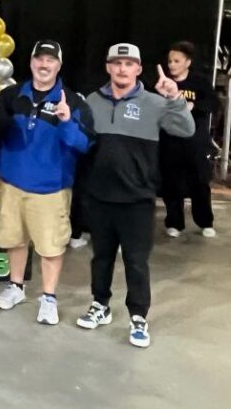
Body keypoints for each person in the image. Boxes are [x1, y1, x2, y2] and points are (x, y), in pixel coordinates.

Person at [77, 44, 195, 348]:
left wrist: (175, 98)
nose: (122, 69)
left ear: (139, 69)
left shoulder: (154, 102)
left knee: (136, 261)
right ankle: (100, 305)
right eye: (117, 63)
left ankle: (138, 317)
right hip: (100, 197)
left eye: (129, 64)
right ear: (108, 67)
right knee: (101, 258)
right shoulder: (92, 101)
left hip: (137, 200)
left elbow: (186, 130)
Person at [0, 40, 93, 326]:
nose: (44, 65)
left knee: (51, 246)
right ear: (31, 62)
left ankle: (48, 298)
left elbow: (83, 144)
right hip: (12, 184)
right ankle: (16, 287)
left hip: (50, 189)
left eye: (50, 60)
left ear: (59, 65)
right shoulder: (11, 95)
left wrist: (66, 121)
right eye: (39, 59)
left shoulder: (73, 101)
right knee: (14, 239)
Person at [159, 41, 218, 238]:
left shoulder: (200, 82)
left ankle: (205, 222)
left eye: (176, 61)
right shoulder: (163, 82)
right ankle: (174, 223)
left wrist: (194, 105)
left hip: (195, 142)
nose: (171, 64)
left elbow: (213, 103)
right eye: (170, 61)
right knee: (171, 183)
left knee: (200, 182)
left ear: (188, 62)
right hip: (170, 142)